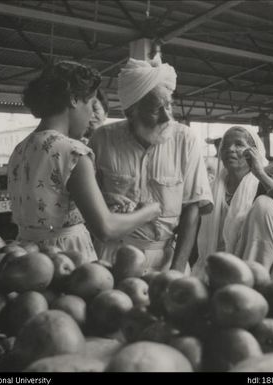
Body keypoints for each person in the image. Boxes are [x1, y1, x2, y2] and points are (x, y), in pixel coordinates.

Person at [7, 61, 161, 262]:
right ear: (73, 100)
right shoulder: (74, 152)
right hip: (65, 257)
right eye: (90, 103)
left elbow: (51, 200)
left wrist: (102, 199)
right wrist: (148, 212)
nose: (91, 115)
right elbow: (106, 229)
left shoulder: (21, 149)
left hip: (26, 257)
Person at [90, 57, 213, 272]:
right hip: (113, 255)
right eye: (156, 109)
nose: (167, 116)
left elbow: (192, 208)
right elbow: (89, 202)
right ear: (132, 112)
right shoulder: (103, 139)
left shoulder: (185, 140)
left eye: (169, 105)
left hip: (164, 258)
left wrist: (176, 270)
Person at [194, 126, 273, 280]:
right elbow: (197, 233)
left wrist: (260, 173)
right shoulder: (212, 189)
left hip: (260, 270)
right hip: (221, 266)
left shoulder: (265, 183)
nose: (230, 149)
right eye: (225, 145)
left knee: (263, 204)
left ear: (254, 152)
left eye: (238, 144)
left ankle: (253, 285)